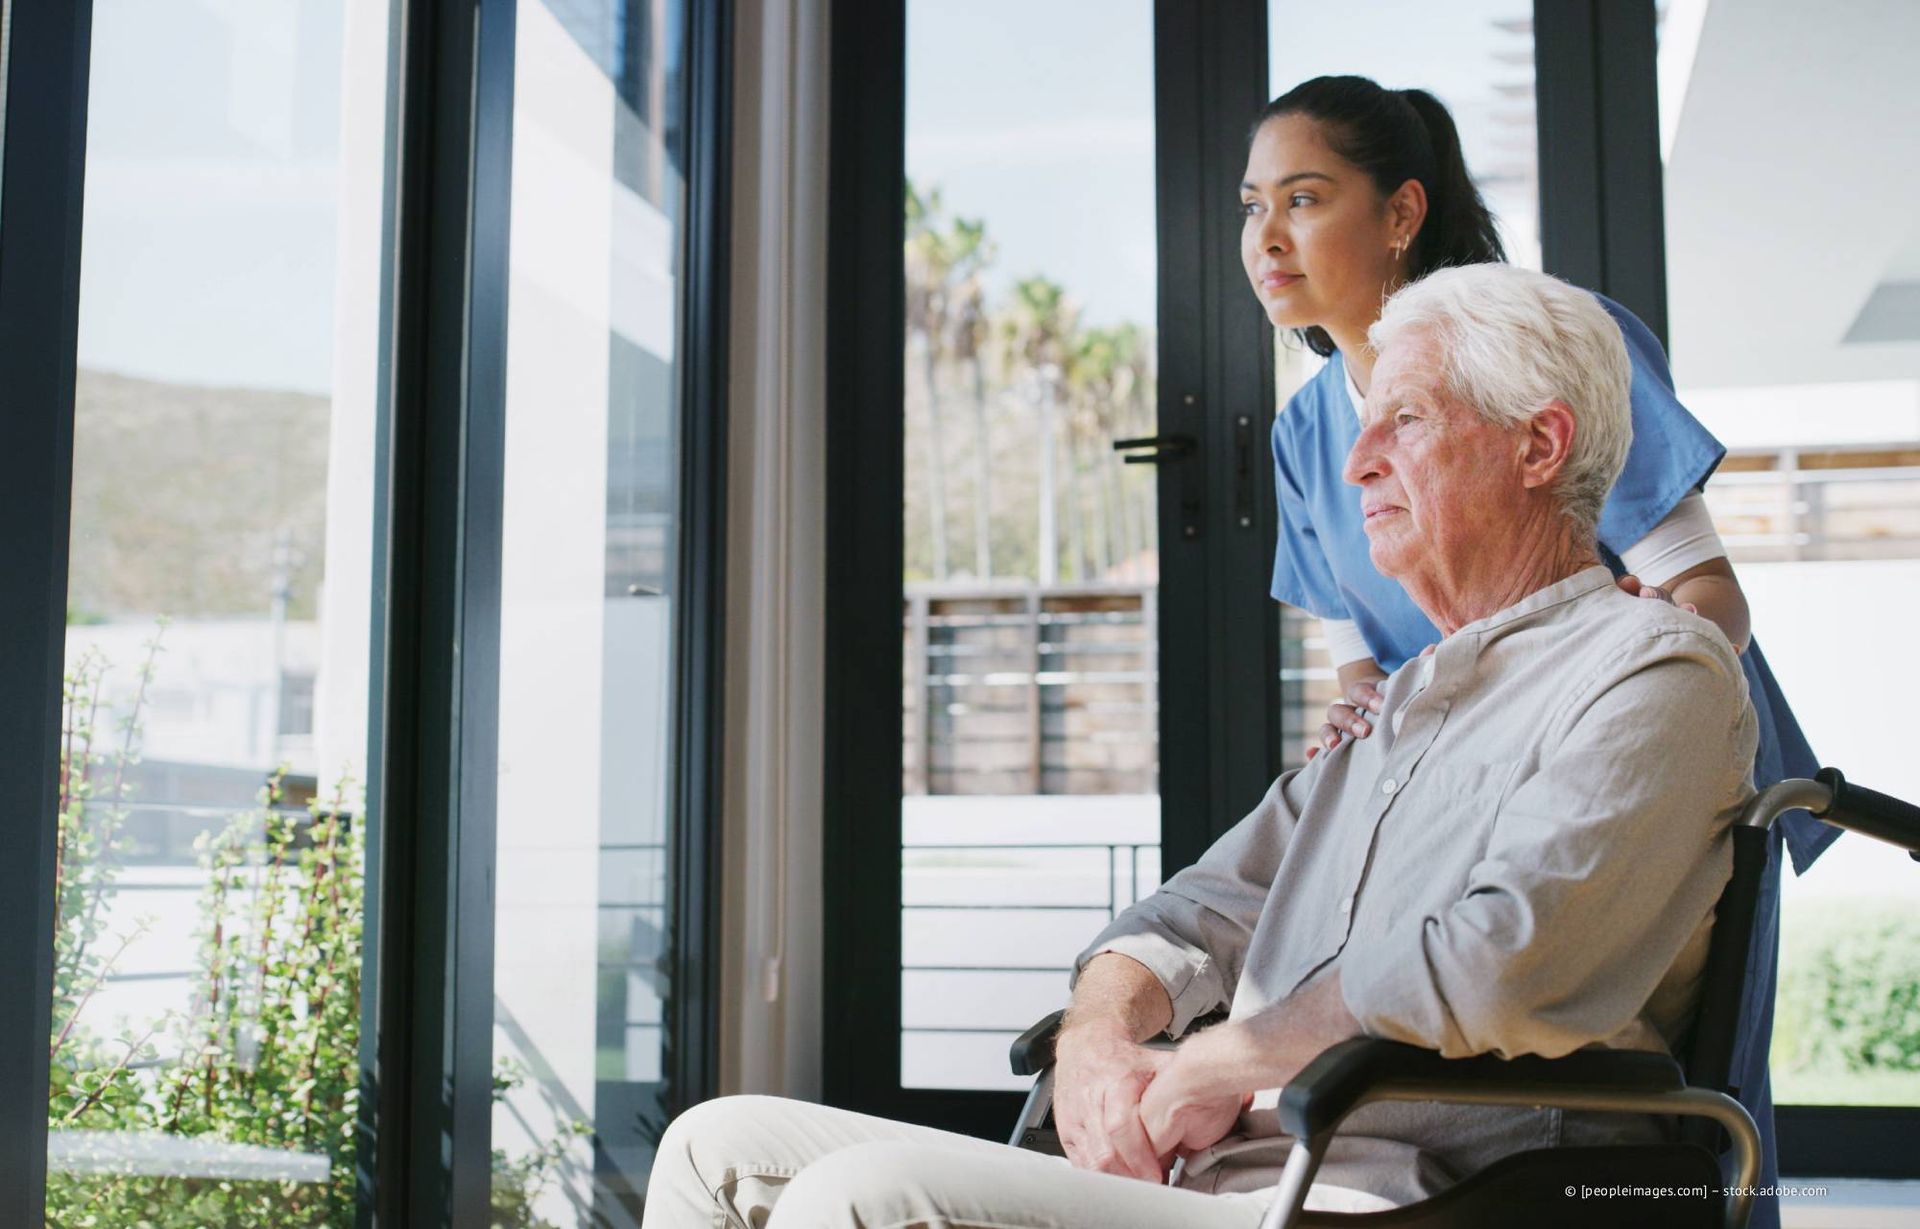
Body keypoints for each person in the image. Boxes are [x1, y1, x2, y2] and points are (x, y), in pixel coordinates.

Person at [641, 265, 1755, 1226]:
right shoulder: (1399, 703)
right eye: (1365, 425)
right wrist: (1096, 1040)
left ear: (1538, 444)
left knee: (870, 1199)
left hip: (1387, 1193)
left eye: (1406, 421)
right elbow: (1186, 913)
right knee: (712, 1144)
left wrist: (1222, 1059)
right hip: (1212, 1181)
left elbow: (1502, 957)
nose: (1357, 461)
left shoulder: (1653, 669)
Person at [1242, 75, 1834, 1227]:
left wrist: (1613, 695)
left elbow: (1707, 597)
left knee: (1684, 1104)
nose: (1267, 238)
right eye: (1252, 205)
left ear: (1401, 214)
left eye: (1303, 199)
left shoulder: (1550, 344)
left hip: (1644, 761)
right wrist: (1359, 712)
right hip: (1467, 793)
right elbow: (1360, 667)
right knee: (1467, 1076)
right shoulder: (1306, 432)